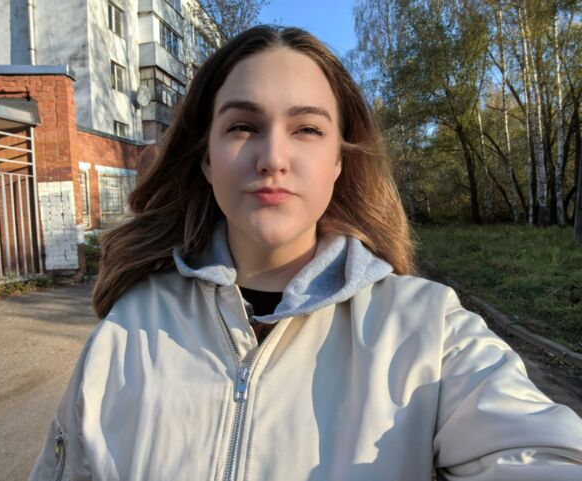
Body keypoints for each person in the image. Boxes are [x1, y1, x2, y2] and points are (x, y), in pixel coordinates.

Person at [29, 26, 582, 481]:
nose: (273, 157)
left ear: (339, 161)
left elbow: (542, 455)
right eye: (243, 126)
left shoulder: (430, 331)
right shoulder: (126, 333)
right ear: (206, 159)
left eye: (307, 129)